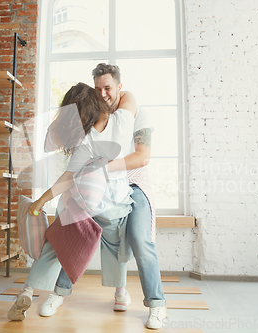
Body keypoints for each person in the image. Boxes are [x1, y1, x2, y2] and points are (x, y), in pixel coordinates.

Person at [8, 82, 137, 321]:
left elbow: (66, 179)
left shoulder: (84, 141)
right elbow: (129, 99)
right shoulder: (121, 121)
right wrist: (116, 90)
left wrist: (39, 202)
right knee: (116, 249)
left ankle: (32, 290)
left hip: (81, 202)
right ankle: (120, 294)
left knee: (58, 244)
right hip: (114, 202)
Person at [92, 63, 167, 329]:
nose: (103, 94)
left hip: (135, 185)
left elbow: (142, 157)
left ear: (119, 88)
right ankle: (119, 291)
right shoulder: (97, 117)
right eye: (98, 88)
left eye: (108, 88)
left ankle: (157, 305)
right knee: (94, 229)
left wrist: (100, 168)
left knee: (139, 237)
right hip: (105, 184)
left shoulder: (139, 114)